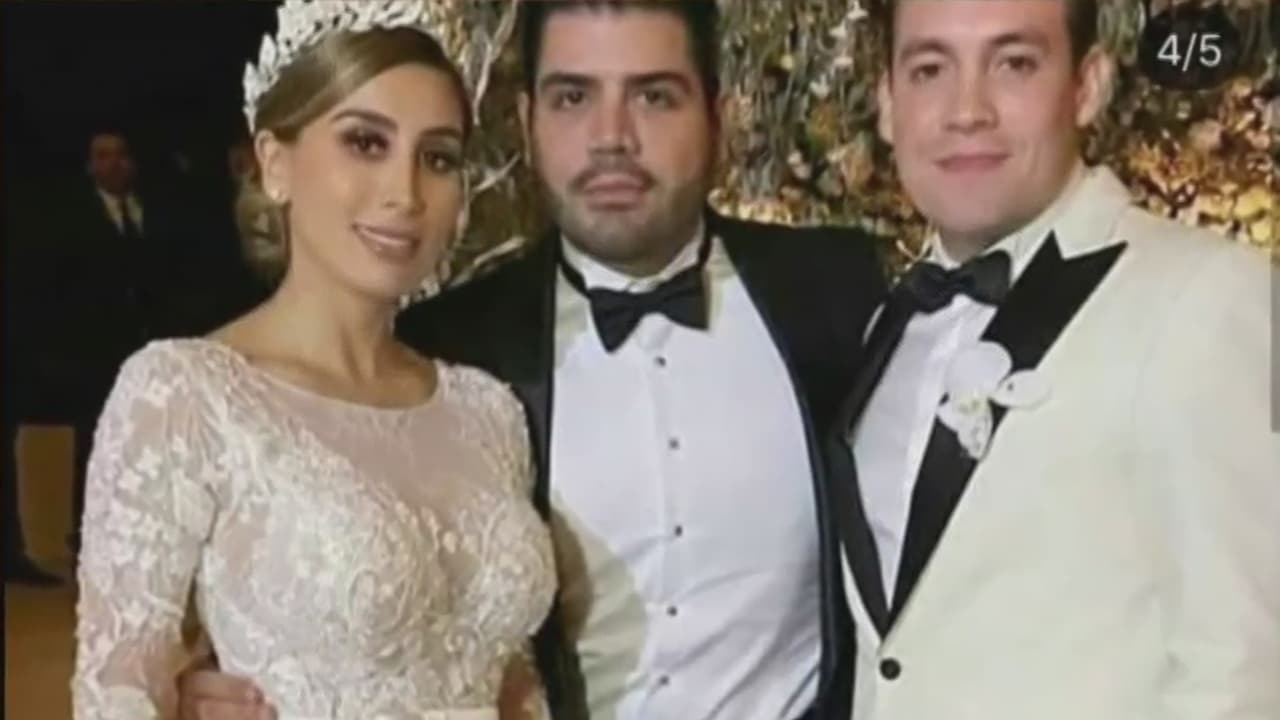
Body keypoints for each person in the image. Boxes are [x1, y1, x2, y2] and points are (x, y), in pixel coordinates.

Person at [178, 2, 887, 719]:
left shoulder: (840, 293)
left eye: (653, 96)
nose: (611, 138)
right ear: (527, 121)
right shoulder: (445, 353)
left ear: (718, 117)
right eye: (573, 97)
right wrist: (207, 683)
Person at [71, 3, 555, 718]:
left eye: (438, 157)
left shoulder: (487, 410)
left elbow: (513, 679)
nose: (404, 193)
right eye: (366, 142)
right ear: (275, 164)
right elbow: (115, 696)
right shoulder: (183, 395)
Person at [827, 1, 1280, 718]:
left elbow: (1251, 667)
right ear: (887, 103)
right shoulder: (891, 321)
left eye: (1013, 64)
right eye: (930, 69)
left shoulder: (1204, 297)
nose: (966, 110)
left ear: (1087, 86)